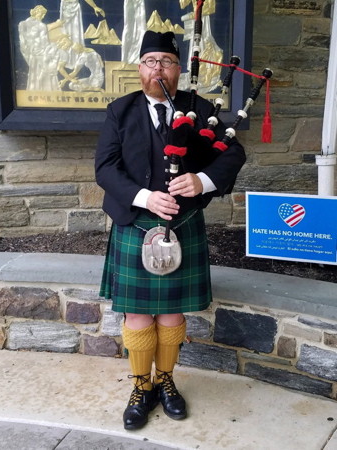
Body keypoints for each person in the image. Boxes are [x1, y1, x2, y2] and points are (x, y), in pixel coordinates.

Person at [95, 31, 246, 431]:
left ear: (179, 68)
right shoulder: (120, 110)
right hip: (136, 221)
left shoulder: (199, 108)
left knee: (171, 315)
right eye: (150, 61)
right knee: (140, 314)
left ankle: (166, 380)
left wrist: (203, 181)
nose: (157, 68)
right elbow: (106, 168)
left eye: (166, 60)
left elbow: (232, 152)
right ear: (139, 68)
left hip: (182, 224)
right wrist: (145, 196)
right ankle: (141, 386)